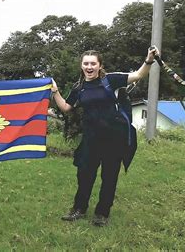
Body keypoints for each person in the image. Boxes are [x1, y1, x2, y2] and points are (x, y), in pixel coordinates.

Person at [50, 47, 159, 226]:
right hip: (90, 138)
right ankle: (79, 209)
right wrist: (55, 92)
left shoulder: (111, 80)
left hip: (114, 138)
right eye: (86, 63)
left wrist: (148, 60)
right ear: (81, 66)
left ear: (100, 66)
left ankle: (102, 213)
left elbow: (138, 75)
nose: (89, 66)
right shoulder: (79, 87)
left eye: (93, 63)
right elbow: (66, 108)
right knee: (84, 175)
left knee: (109, 177)